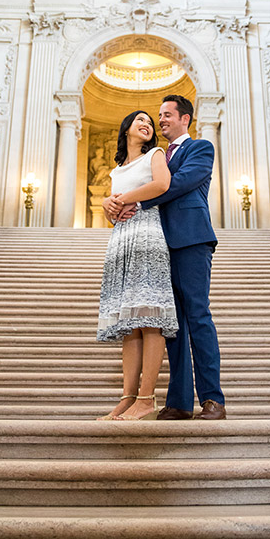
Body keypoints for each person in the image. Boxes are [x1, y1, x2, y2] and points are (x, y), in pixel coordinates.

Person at [112, 95, 226, 421]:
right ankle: (177, 402)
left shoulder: (201, 148)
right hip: (157, 246)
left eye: (166, 115)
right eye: (158, 116)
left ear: (184, 119)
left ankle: (213, 400)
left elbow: (177, 184)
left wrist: (136, 201)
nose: (161, 120)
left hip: (191, 240)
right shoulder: (153, 157)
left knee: (198, 317)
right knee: (170, 325)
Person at [97, 110, 178, 421]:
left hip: (147, 234)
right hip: (121, 240)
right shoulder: (117, 170)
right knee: (129, 326)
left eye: (150, 121)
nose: (146, 124)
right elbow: (114, 214)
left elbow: (162, 184)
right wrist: (108, 206)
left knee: (149, 316)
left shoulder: (155, 154)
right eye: (140, 120)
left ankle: (146, 398)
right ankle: (127, 398)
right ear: (126, 127)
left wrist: (121, 199)